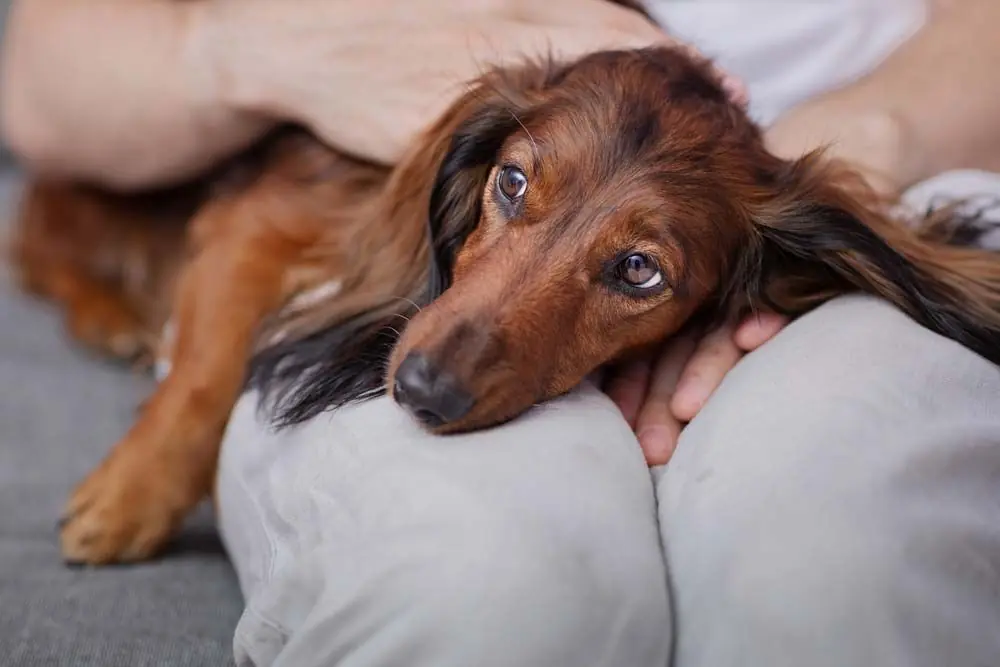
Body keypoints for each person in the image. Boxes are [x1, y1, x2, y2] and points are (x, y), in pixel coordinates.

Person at [3, 1, 1000, 665]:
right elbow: (41, 79)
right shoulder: (455, 166)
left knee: (844, 566)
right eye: (514, 189)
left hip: (864, 203)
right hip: (396, 215)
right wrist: (292, 49)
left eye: (632, 270)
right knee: (488, 581)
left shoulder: (803, 225)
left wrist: (878, 135)